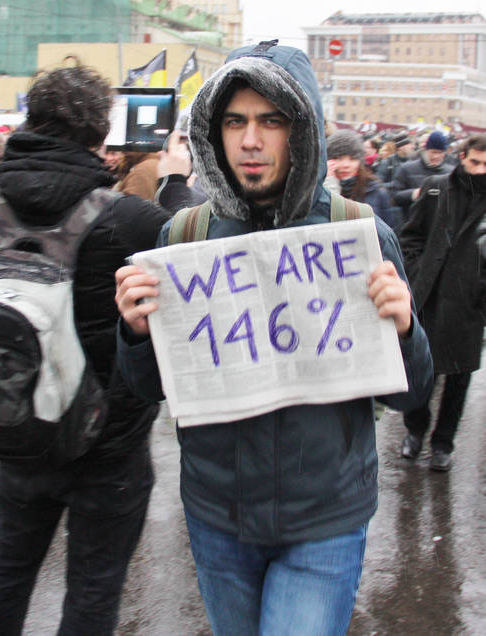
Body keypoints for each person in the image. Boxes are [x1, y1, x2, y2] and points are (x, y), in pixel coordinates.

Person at [114, 41, 433, 636]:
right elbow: (144, 390)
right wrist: (134, 332)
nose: (251, 141)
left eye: (271, 120)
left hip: (326, 522)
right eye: (235, 121)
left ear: (303, 130)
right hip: (217, 519)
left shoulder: (358, 233)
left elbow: (412, 394)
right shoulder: (184, 236)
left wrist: (405, 326)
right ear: (214, 130)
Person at [0, 66, 170, 636]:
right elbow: (191, 254)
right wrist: (175, 182)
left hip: (20, 425)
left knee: (5, 570)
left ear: (32, 121)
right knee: (93, 589)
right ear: (97, 135)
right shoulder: (128, 219)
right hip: (109, 445)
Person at [398, 134, 486, 472]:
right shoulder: (437, 188)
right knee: (421, 373)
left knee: (458, 380)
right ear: (462, 157)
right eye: (474, 161)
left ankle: (443, 444)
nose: (478, 170)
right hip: (430, 298)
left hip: (469, 304)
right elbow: (410, 235)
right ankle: (415, 431)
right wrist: (418, 272)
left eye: (484, 164)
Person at [325, 129, 397, 229]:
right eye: (338, 158)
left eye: (352, 158)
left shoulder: (376, 191)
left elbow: (388, 231)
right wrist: (330, 186)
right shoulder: (318, 190)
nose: (346, 165)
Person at [391, 130, 453, 225]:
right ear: (426, 150)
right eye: (433, 152)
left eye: (440, 153)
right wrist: (415, 193)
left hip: (441, 226)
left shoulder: (451, 172)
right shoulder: (407, 168)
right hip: (412, 224)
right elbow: (394, 196)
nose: (436, 156)